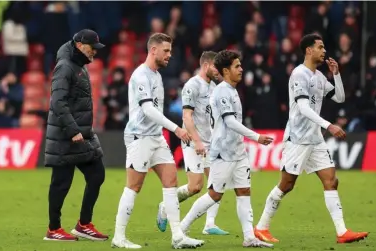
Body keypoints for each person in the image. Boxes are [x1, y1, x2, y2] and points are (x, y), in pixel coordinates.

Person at [254, 33, 369, 244]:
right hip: (298, 138)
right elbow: (304, 108)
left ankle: (342, 232)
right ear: (309, 50)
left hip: (315, 139)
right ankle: (261, 227)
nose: (324, 51)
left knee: (331, 181)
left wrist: (336, 74)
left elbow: (340, 97)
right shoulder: (300, 75)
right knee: (286, 185)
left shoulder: (319, 77)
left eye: (324, 47)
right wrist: (329, 125)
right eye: (320, 47)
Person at [111, 33, 204, 249]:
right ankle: (119, 236)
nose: (169, 55)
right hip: (139, 136)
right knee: (134, 185)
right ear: (153, 50)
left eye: (170, 51)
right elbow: (147, 109)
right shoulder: (141, 76)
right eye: (166, 51)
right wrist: (176, 129)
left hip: (155, 137)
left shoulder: (156, 75)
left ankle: (177, 236)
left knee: (170, 180)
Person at [179, 50, 274, 248]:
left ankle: (249, 237)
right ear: (226, 70)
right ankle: (181, 229)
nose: (241, 69)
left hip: (237, 151)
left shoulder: (231, 90)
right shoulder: (221, 91)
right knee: (214, 194)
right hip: (222, 152)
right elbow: (229, 121)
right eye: (237, 66)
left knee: (244, 191)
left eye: (240, 65)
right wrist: (256, 137)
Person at [43, 29, 108, 241]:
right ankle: (53, 229)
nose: (94, 53)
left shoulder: (78, 66)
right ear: (80, 45)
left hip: (82, 135)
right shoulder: (64, 67)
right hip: (66, 135)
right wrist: (73, 130)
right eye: (92, 48)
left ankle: (83, 224)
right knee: (61, 183)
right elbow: (57, 102)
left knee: (97, 174)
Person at [156, 51, 228, 235]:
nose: (218, 71)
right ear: (206, 65)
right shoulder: (192, 86)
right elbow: (187, 117)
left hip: (211, 143)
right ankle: (165, 206)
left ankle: (209, 224)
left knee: (217, 183)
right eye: (215, 67)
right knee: (195, 186)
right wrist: (197, 142)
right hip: (193, 141)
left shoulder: (214, 87)